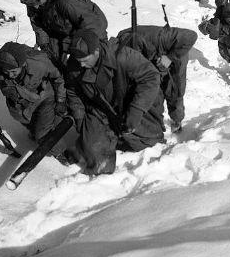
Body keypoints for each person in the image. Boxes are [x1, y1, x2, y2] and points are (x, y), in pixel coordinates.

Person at [65, 30, 164, 175]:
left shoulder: (122, 56)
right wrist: (80, 119)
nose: (81, 64)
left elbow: (151, 77)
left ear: (97, 51)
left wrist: (136, 110)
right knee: (92, 149)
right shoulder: (75, 65)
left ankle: (128, 135)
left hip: (130, 104)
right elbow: (73, 93)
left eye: (85, 60)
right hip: (101, 110)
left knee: (147, 139)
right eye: (78, 60)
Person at [0, 42, 67, 142]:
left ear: (23, 64)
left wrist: (61, 100)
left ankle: (59, 152)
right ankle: (40, 128)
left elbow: (58, 77)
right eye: (6, 72)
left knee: (43, 137)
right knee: (34, 128)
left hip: (45, 99)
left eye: (13, 71)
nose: (10, 75)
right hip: (22, 109)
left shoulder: (39, 62)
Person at [116, 24, 198, 133]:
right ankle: (156, 122)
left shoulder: (161, 37)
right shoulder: (121, 44)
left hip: (176, 58)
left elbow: (191, 36)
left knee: (174, 91)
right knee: (153, 90)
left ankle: (177, 120)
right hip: (152, 60)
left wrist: (169, 58)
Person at [18, 0, 108, 69]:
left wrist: (98, 50)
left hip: (88, 30)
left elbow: (93, 25)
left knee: (87, 61)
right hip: (60, 30)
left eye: (37, 3)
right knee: (54, 60)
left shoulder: (67, 1)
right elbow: (37, 22)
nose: (35, 7)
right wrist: (44, 44)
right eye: (32, 4)